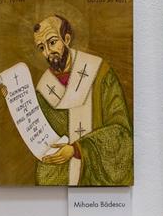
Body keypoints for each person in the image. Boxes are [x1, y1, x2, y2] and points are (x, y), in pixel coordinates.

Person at [30, 14, 132, 186]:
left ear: (67, 39)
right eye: (42, 47)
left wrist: (78, 149)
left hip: (95, 181)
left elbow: (121, 132)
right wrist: (14, 97)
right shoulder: (43, 90)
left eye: (52, 42)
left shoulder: (100, 74)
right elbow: (39, 136)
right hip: (62, 181)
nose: (48, 52)